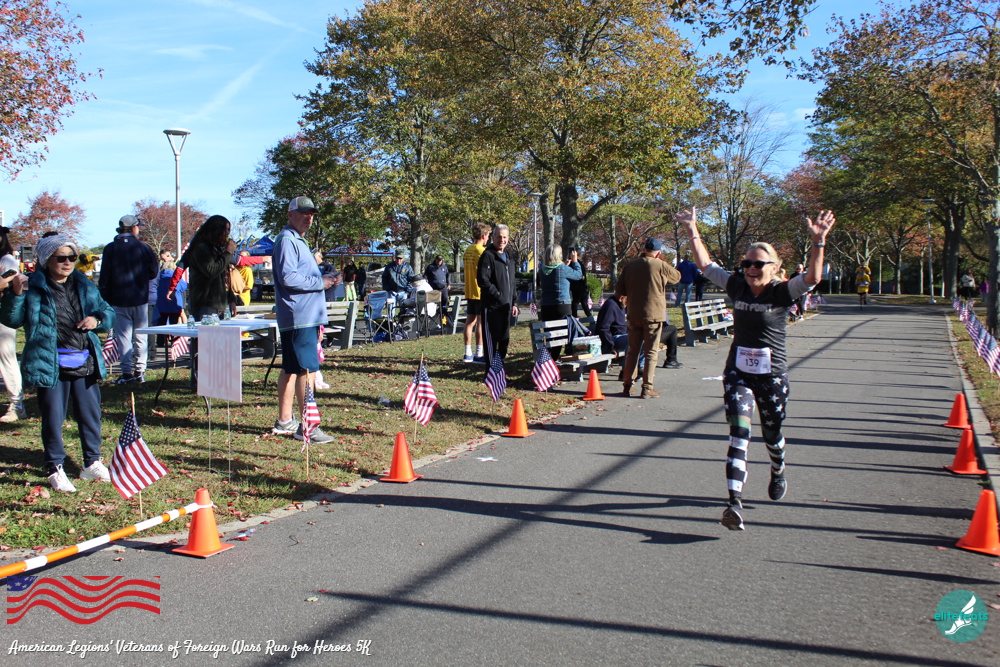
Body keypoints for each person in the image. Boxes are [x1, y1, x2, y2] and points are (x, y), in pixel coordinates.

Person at [677, 205, 835, 531]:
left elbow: (813, 278)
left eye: (757, 264)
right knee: (739, 433)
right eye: (746, 263)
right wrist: (692, 230)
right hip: (738, 372)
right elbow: (705, 265)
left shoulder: (782, 291)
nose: (750, 268)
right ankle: (733, 503)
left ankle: (778, 469)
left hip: (772, 376)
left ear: (774, 268)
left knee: (772, 434)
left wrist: (818, 241)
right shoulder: (736, 285)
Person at [0, 234, 116, 493]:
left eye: (72, 257)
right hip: (49, 362)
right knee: (53, 418)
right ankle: (55, 467)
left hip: (84, 360)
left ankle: (92, 462)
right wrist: (16, 294)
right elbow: (11, 319)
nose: (67, 262)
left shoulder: (85, 285)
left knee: (90, 414)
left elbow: (108, 312)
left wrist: (97, 319)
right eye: (61, 258)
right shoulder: (32, 286)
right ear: (46, 260)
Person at [271, 196, 336, 444]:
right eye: (303, 213)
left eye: (311, 214)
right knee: (306, 371)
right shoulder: (288, 240)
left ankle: (285, 421)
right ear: (290, 214)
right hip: (299, 318)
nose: (308, 217)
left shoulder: (295, 240)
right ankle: (308, 426)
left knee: (291, 369)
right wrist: (321, 282)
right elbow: (288, 277)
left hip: (302, 318)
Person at [614, 238, 681, 398]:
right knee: (651, 352)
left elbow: (619, 290)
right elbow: (677, 277)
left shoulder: (629, 266)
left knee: (632, 350)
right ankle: (647, 387)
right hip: (654, 315)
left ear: (644, 249)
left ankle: (627, 385)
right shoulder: (660, 265)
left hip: (634, 314)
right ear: (658, 252)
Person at [98, 214, 159, 384]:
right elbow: (153, 272)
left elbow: (104, 277)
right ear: (133, 228)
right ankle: (140, 371)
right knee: (141, 336)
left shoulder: (110, 248)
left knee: (123, 337)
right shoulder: (143, 247)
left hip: (118, 299)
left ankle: (126, 372)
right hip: (140, 297)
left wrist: (105, 298)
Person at [174, 215, 238, 321]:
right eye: (225, 230)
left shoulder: (218, 248)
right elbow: (212, 271)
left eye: (228, 230)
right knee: (207, 332)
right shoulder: (201, 248)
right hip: (206, 304)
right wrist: (228, 253)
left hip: (220, 303)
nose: (227, 233)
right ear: (215, 230)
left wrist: (231, 299)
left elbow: (225, 277)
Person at [477, 224, 519, 364]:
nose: (502, 240)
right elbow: (483, 280)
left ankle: (500, 369)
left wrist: (514, 302)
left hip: (506, 307)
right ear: (493, 237)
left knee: (504, 341)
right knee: (492, 342)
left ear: (508, 238)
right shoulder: (487, 256)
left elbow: (512, 281)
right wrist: (498, 295)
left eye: (504, 237)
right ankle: (490, 372)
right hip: (492, 307)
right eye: (499, 237)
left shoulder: (509, 257)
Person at [0, 226, 26, 422]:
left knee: (6, 358)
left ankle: (17, 405)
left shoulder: (6, 260)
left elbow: (16, 285)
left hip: (3, 314)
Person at [539, 244, 583, 358]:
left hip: (546, 306)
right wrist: (575, 261)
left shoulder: (542, 269)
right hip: (561, 305)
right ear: (558, 255)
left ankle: (548, 359)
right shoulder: (562, 268)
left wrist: (565, 265)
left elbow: (555, 272)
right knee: (560, 335)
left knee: (550, 334)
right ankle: (553, 360)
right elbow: (578, 275)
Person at [463, 223, 491, 363]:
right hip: (480, 291)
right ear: (484, 235)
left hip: (469, 291)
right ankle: (479, 353)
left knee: (469, 322)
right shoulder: (482, 251)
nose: (488, 238)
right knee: (480, 322)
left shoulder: (467, 250)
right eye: (488, 235)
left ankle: (467, 353)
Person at [424, 255, 450, 324]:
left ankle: (443, 314)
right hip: (434, 287)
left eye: (440, 260)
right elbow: (425, 275)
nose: (439, 261)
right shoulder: (430, 267)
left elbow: (447, 276)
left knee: (445, 299)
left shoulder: (444, 267)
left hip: (443, 287)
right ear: (435, 260)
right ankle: (432, 315)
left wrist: (448, 284)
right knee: (432, 301)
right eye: (438, 260)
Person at [567, 248, 591, 317]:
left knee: (581, 303)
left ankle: (589, 317)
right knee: (576, 302)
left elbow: (582, 276)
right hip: (576, 286)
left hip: (580, 286)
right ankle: (575, 316)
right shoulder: (570, 263)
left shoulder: (578, 264)